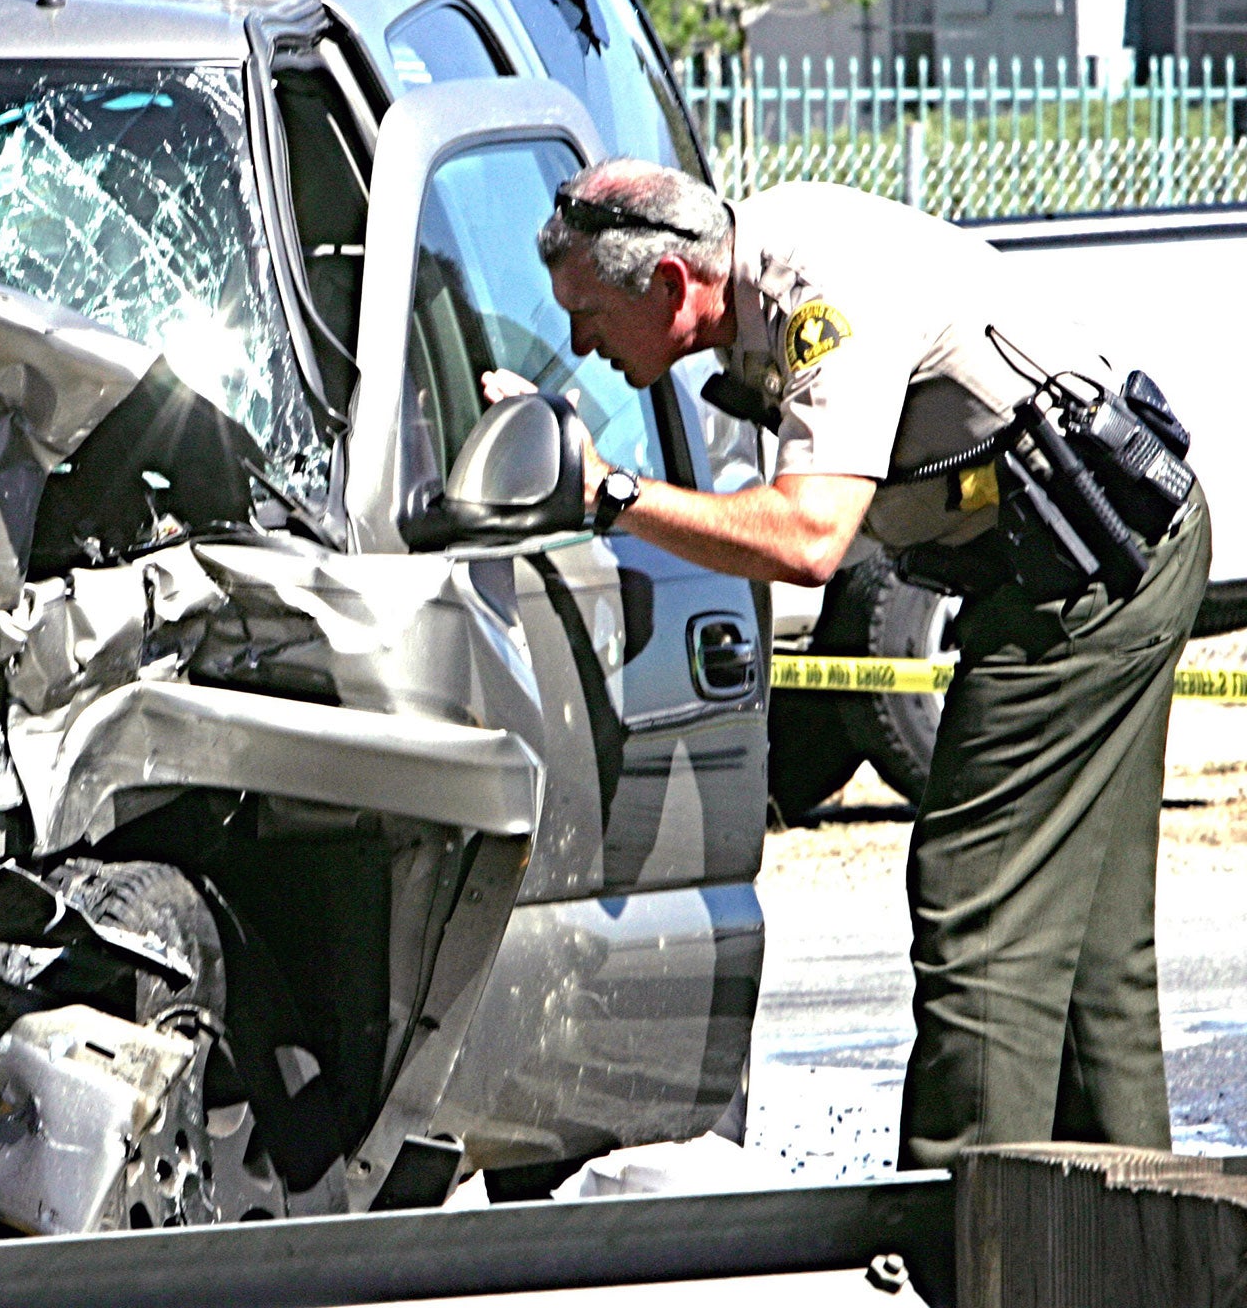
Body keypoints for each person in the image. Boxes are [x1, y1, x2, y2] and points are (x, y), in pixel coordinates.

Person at [513, 158, 1208, 1172]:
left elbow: (806, 540)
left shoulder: (814, 292)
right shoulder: (746, 270)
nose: (579, 343)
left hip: (1085, 573)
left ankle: (973, 1239)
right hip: (1085, 559)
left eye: (588, 316)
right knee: (1090, 950)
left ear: (669, 285)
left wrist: (607, 495)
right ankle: (1139, 1242)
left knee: (978, 917)